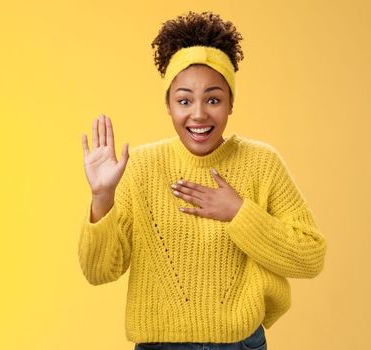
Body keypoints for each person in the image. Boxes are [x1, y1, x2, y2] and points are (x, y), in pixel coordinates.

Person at [78, 11, 327, 350]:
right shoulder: (141, 167)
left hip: (240, 343)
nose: (198, 114)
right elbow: (99, 272)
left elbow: (310, 256)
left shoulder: (261, 163)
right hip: (159, 345)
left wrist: (239, 212)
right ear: (168, 105)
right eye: (184, 100)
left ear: (230, 104)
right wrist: (102, 195)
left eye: (213, 99)